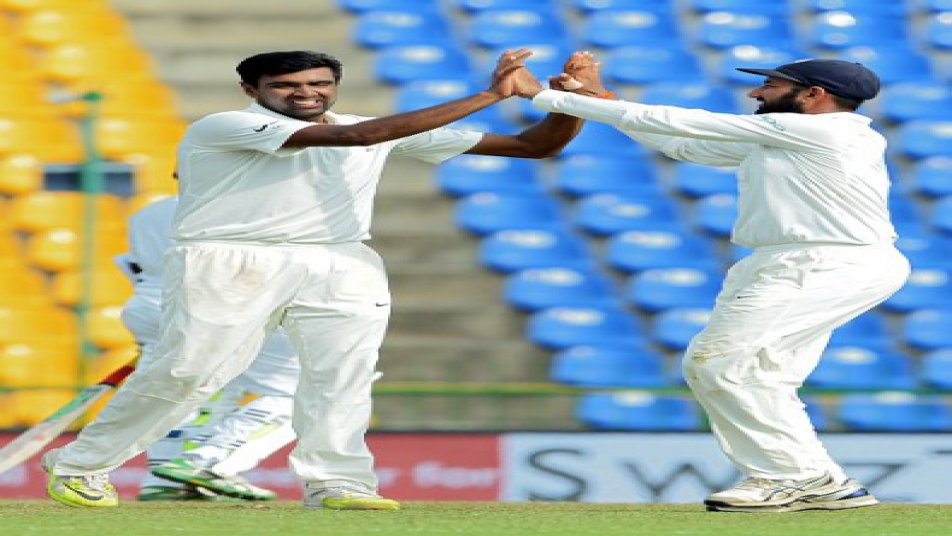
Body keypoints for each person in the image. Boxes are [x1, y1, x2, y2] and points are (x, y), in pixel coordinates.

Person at [43, 49, 582, 510]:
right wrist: (493, 93)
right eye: (288, 86)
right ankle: (80, 464)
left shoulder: (368, 129)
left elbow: (535, 147)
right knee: (190, 371)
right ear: (250, 89)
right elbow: (363, 136)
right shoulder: (223, 125)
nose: (306, 93)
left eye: (319, 84)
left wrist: (570, 101)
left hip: (342, 261)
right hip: (233, 258)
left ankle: (337, 481)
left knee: (343, 374)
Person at [510, 54, 910, 512]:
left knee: (715, 362)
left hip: (826, 261)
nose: (755, 93)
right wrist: (594, 97)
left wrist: (541, 95)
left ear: (814, 95)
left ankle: (787, 477)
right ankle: (812, 480)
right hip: (800, 260)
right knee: (762, 375)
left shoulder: (825, 131)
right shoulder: (785, 138)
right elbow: (684, 144)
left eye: (771, 86)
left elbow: (682, 119)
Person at [117, 196, 297, 502]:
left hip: (147, 304)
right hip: (209, 305)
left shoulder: (145, 213)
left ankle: (165, 478)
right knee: (307, 393)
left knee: (178, 392)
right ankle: (208, 463)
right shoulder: (236, 207)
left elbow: (131, 265)